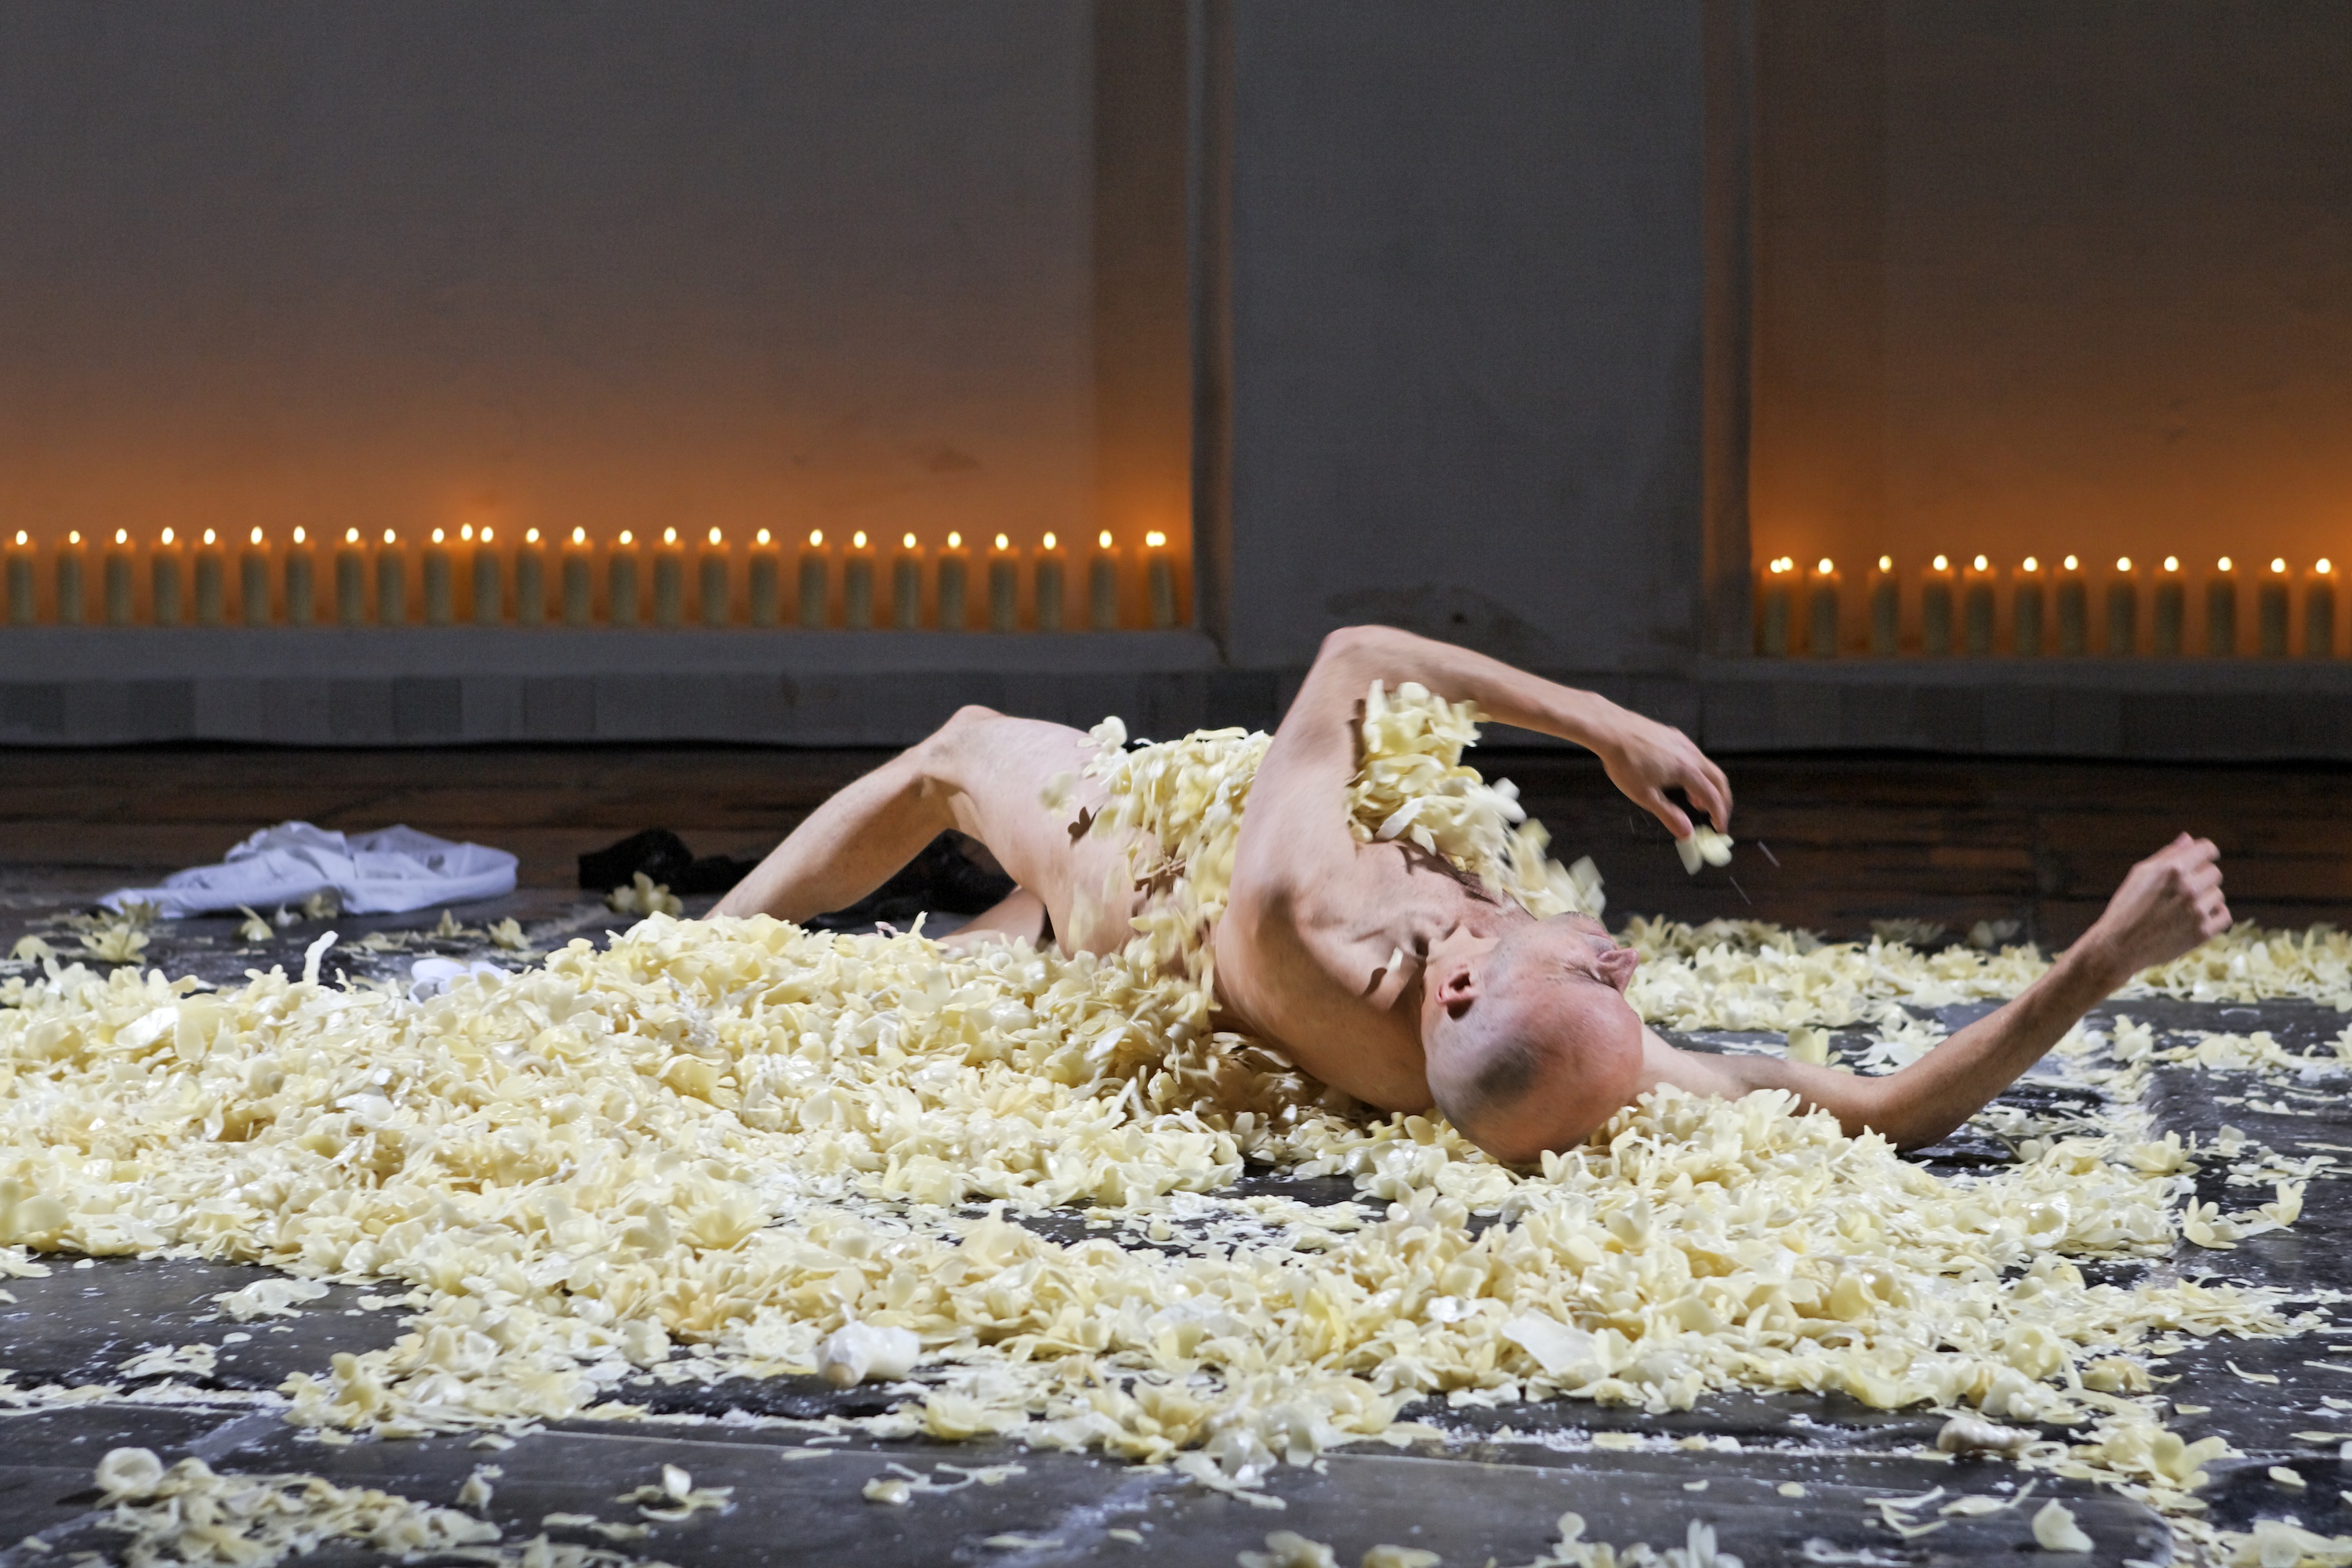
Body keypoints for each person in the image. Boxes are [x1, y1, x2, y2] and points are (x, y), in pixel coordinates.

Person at [713, 625, 2230, 1161]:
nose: (1622, 960)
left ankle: (692, 954)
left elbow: (1357, 656)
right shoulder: (1567, 1069)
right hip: (1273, 844)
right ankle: (999, 943)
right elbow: (1891, 1111)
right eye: (1613, 987)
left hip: (1162, 872)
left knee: (964, 754)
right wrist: (2099, 958)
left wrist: (1605, 725)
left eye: (1584, 972)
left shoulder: (1312, 915)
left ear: (1453, 987)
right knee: (1008, 920)